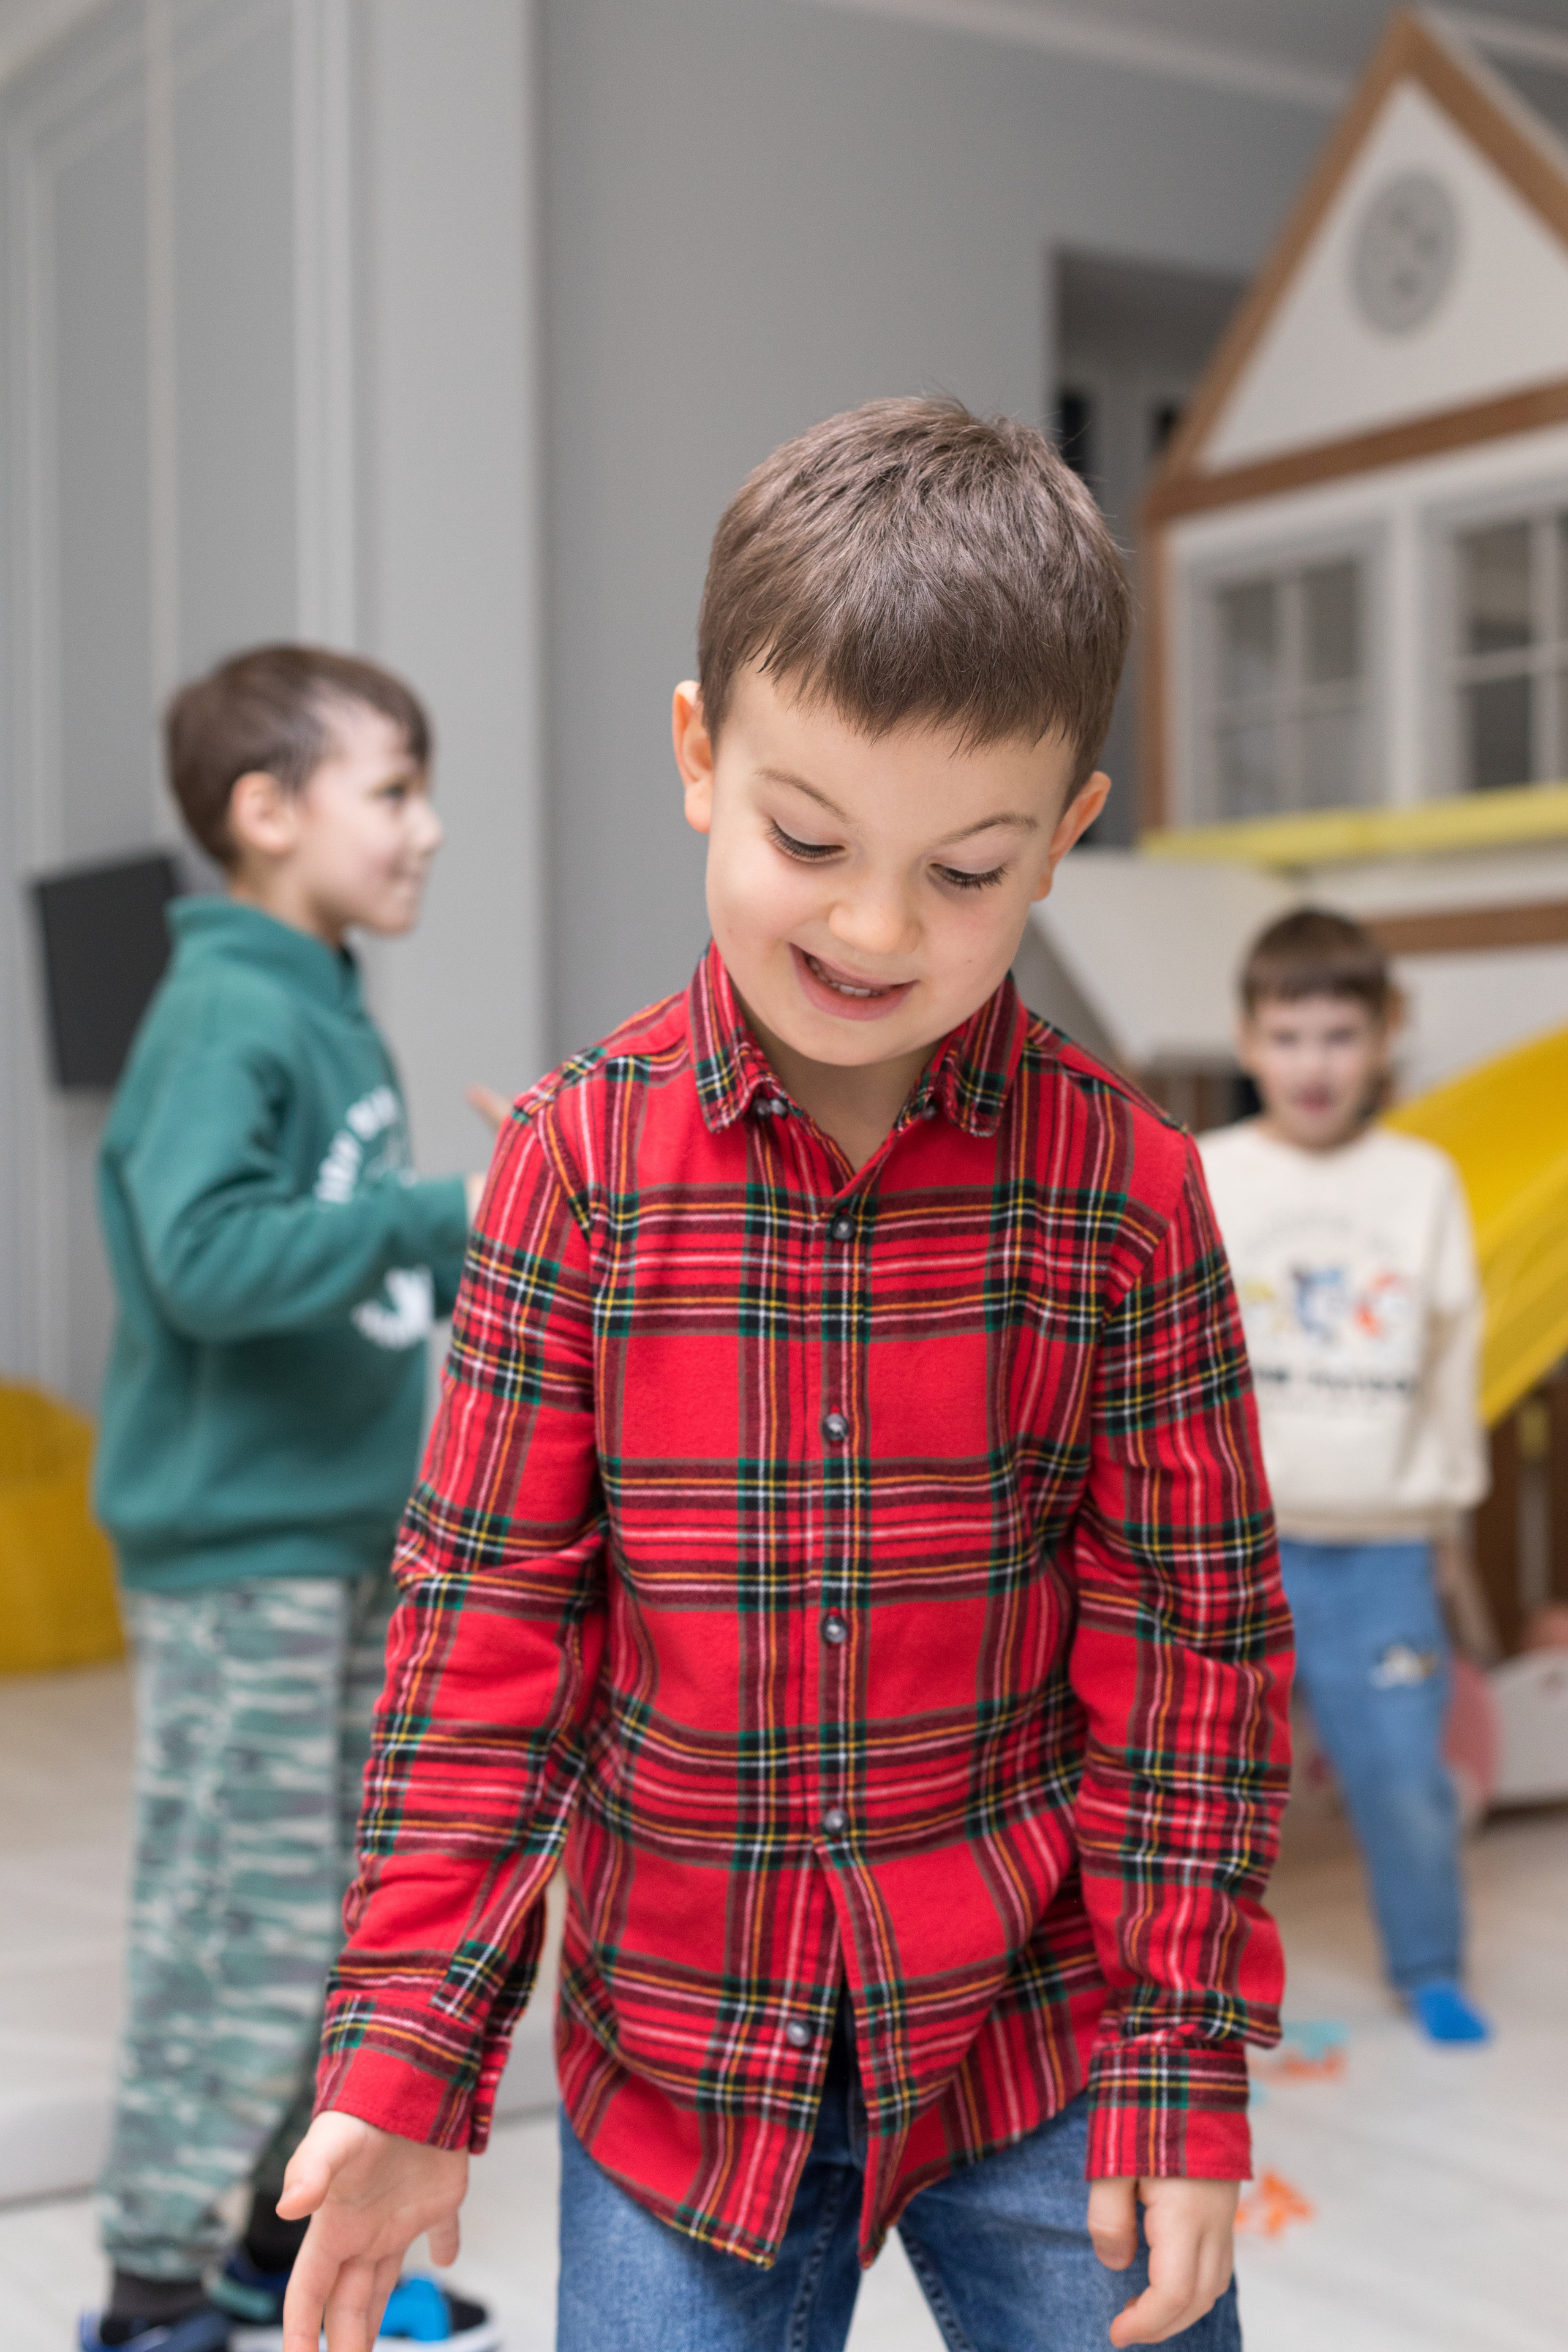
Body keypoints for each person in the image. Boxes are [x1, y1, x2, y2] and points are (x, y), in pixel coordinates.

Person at [281, 401, 1294, 2352]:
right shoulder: (575, 1163)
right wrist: (415, 2054)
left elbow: (1190, 1644)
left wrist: (1182, 2056)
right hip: (685, 2060)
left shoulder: (1128, 1189)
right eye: (808, 839)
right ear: (699, 758)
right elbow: (486, 1626)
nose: (873, 927)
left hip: (1038, 2037)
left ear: (1067, 837)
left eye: (968, 870)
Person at [86, 646, 501, 2352]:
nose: (431, 828)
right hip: (240, 1555)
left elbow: (346, 1274)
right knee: (239, 1916)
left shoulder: (322, 1000)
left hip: (340, 1536)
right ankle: (152, 2280)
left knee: (347, 1907)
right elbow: (200, 1257)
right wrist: (433, 1213)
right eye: (393, 791)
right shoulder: (232, 1008)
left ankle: (284, 2242)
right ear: (267, 816)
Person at [1199, 907, 1491, 2045]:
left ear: (1383, 1037)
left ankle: (1427, 1963)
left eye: (1337, 1035)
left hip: (1384, 1548)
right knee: (1210, 1785)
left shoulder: (1422, 1181)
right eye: (1289, 1035)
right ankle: (1191, 1993)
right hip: (1239, 1543)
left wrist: (1446, 1516)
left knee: (1403, 1773)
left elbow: (1451, 1354)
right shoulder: (1206, 1172)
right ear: (1246, 1039)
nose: (1312, 1063)